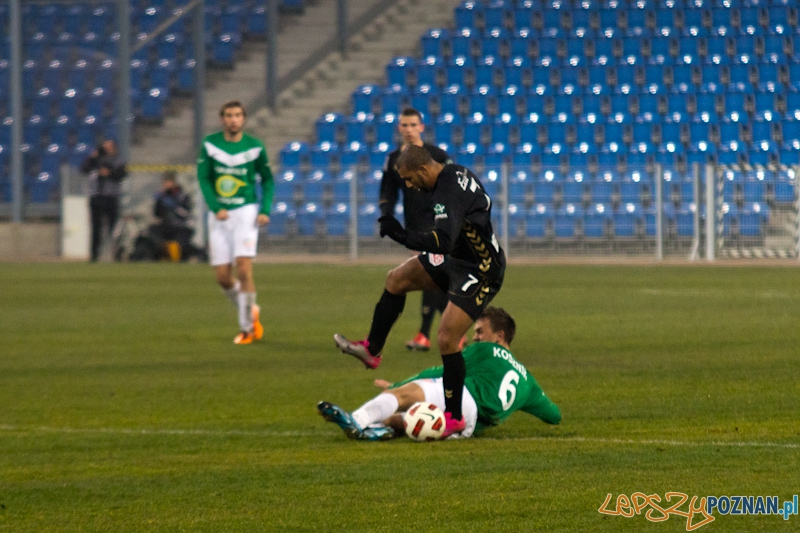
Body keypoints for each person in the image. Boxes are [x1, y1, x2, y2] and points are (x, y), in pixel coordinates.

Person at [334, 144, 506, 438]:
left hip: (481, 270)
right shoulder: (452, 175)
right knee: (396, 279)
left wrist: (400, 233)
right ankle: (372, 349)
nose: (410, 186)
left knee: (447, 338)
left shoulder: (447, 191)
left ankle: (454, 418)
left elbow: (442, 241)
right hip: (459, 260)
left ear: (425, 169)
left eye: (411, 179)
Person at [321, 307, 561, 441]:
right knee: (410, 417)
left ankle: (358, 419)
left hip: (462, 400)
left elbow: (444, 370)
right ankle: (379, 430)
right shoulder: (527, 380)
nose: (475, 338)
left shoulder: (486, 350)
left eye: (479, 332)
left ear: (499, 336)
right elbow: (553, 414)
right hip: (469, 426)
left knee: (406, 394)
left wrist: (399, 383)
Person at [197, 100, 275, 345]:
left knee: (243, 268)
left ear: (244, 119)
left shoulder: (254, 147)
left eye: (238, 115)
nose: (233, 119)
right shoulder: (210, 145)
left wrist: (264, 209)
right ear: (222, 119)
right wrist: (215, 206)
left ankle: (247, 328)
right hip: (220, 214)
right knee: (222, 277)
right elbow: (204, 178)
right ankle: (250, 307)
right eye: (229, 115)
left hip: (245, 212)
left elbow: (268, 181)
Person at [379, 108, 452, 352]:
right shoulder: (393, 159)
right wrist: (386, 213)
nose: (409, 129)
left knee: (429, 274)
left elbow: (452, 184)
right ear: (399, 128)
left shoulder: (436, 155)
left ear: (421, 127)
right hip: (413, 224)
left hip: (437, 222)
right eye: (404, 125)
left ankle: (424, 334)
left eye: (413, 125)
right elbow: (387, 190)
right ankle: (453, 331)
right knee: (434, 278)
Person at [80, 139, 127, 262]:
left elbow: (121, 174)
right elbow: (83, 169)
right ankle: (94, 255)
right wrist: (93, 157)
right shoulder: (95, 161)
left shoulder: (118, 160)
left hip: (111, 197)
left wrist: (109, 173)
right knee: (96, 227)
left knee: (114, 228)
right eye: (105, 147)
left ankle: (116, 254)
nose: (107, 149)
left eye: (109, 147)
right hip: (96, 196)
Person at [150, 172, 206, 262]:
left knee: (183, 246)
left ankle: (199, 254)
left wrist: (175, 206)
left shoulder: (182, 195)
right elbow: (157, 214)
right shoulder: (162, 196)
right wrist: (158, 203)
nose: (168, 184)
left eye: (170, 182)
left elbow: (186, 213)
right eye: (166, 182)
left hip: (181, 226)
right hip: (166, 225)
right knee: (153, 235)